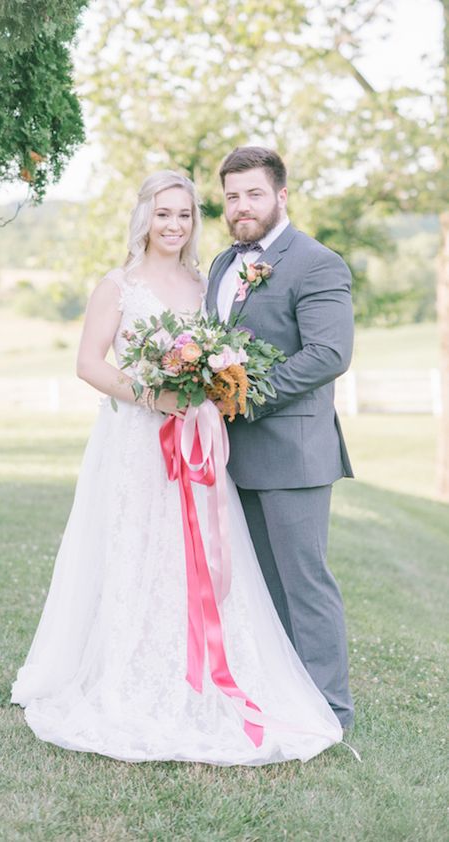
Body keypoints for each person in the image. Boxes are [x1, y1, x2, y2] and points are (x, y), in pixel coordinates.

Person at [11, 169, 343, 765]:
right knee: (138, 555)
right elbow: (90, 363)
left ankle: (223, 675)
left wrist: (210, 390)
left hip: (203, 445)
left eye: (185, 214)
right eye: (163, 213)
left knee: (204, 559)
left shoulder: (205, 279)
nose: (174, 225)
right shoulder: (117, 285)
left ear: (195, 220)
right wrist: (154, 398)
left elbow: (235, 353)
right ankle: (133, 672)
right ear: (144, 216)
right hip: (139, 444)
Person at [206, 147, 355, 730]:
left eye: (254, 194)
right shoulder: (222, 263)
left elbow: (328, 354)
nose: (242, 206)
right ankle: (282, 694)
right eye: (233, 196)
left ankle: (331, 712)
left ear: (282, 195)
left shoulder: (316, 263)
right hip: (234, 456)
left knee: (305, 583)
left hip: (294, 454)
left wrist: (242, 396)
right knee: (261, 586)